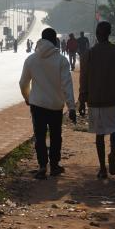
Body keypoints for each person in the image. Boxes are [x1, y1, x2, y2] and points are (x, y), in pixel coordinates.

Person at [20, 27, 76, 179]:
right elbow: (67, 85)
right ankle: (55, 165)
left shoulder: (31, 59)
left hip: (37, 104)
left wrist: (27, 97)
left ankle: (42, 166)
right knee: (56, 136)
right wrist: (71, 107)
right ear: (55, 41)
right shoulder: (61, 60)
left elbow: (23, 82)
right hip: (55, 105)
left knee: (39, 136)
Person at [79, 21, 115, 179]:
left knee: (99, 134)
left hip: (94, 100)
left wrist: (82, 100)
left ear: (96, 34)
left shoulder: (88, 54)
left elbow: (84, 79)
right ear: (109, 34)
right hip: (113, 99)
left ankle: (102, 168)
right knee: (114, 129)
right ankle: (112, 153)